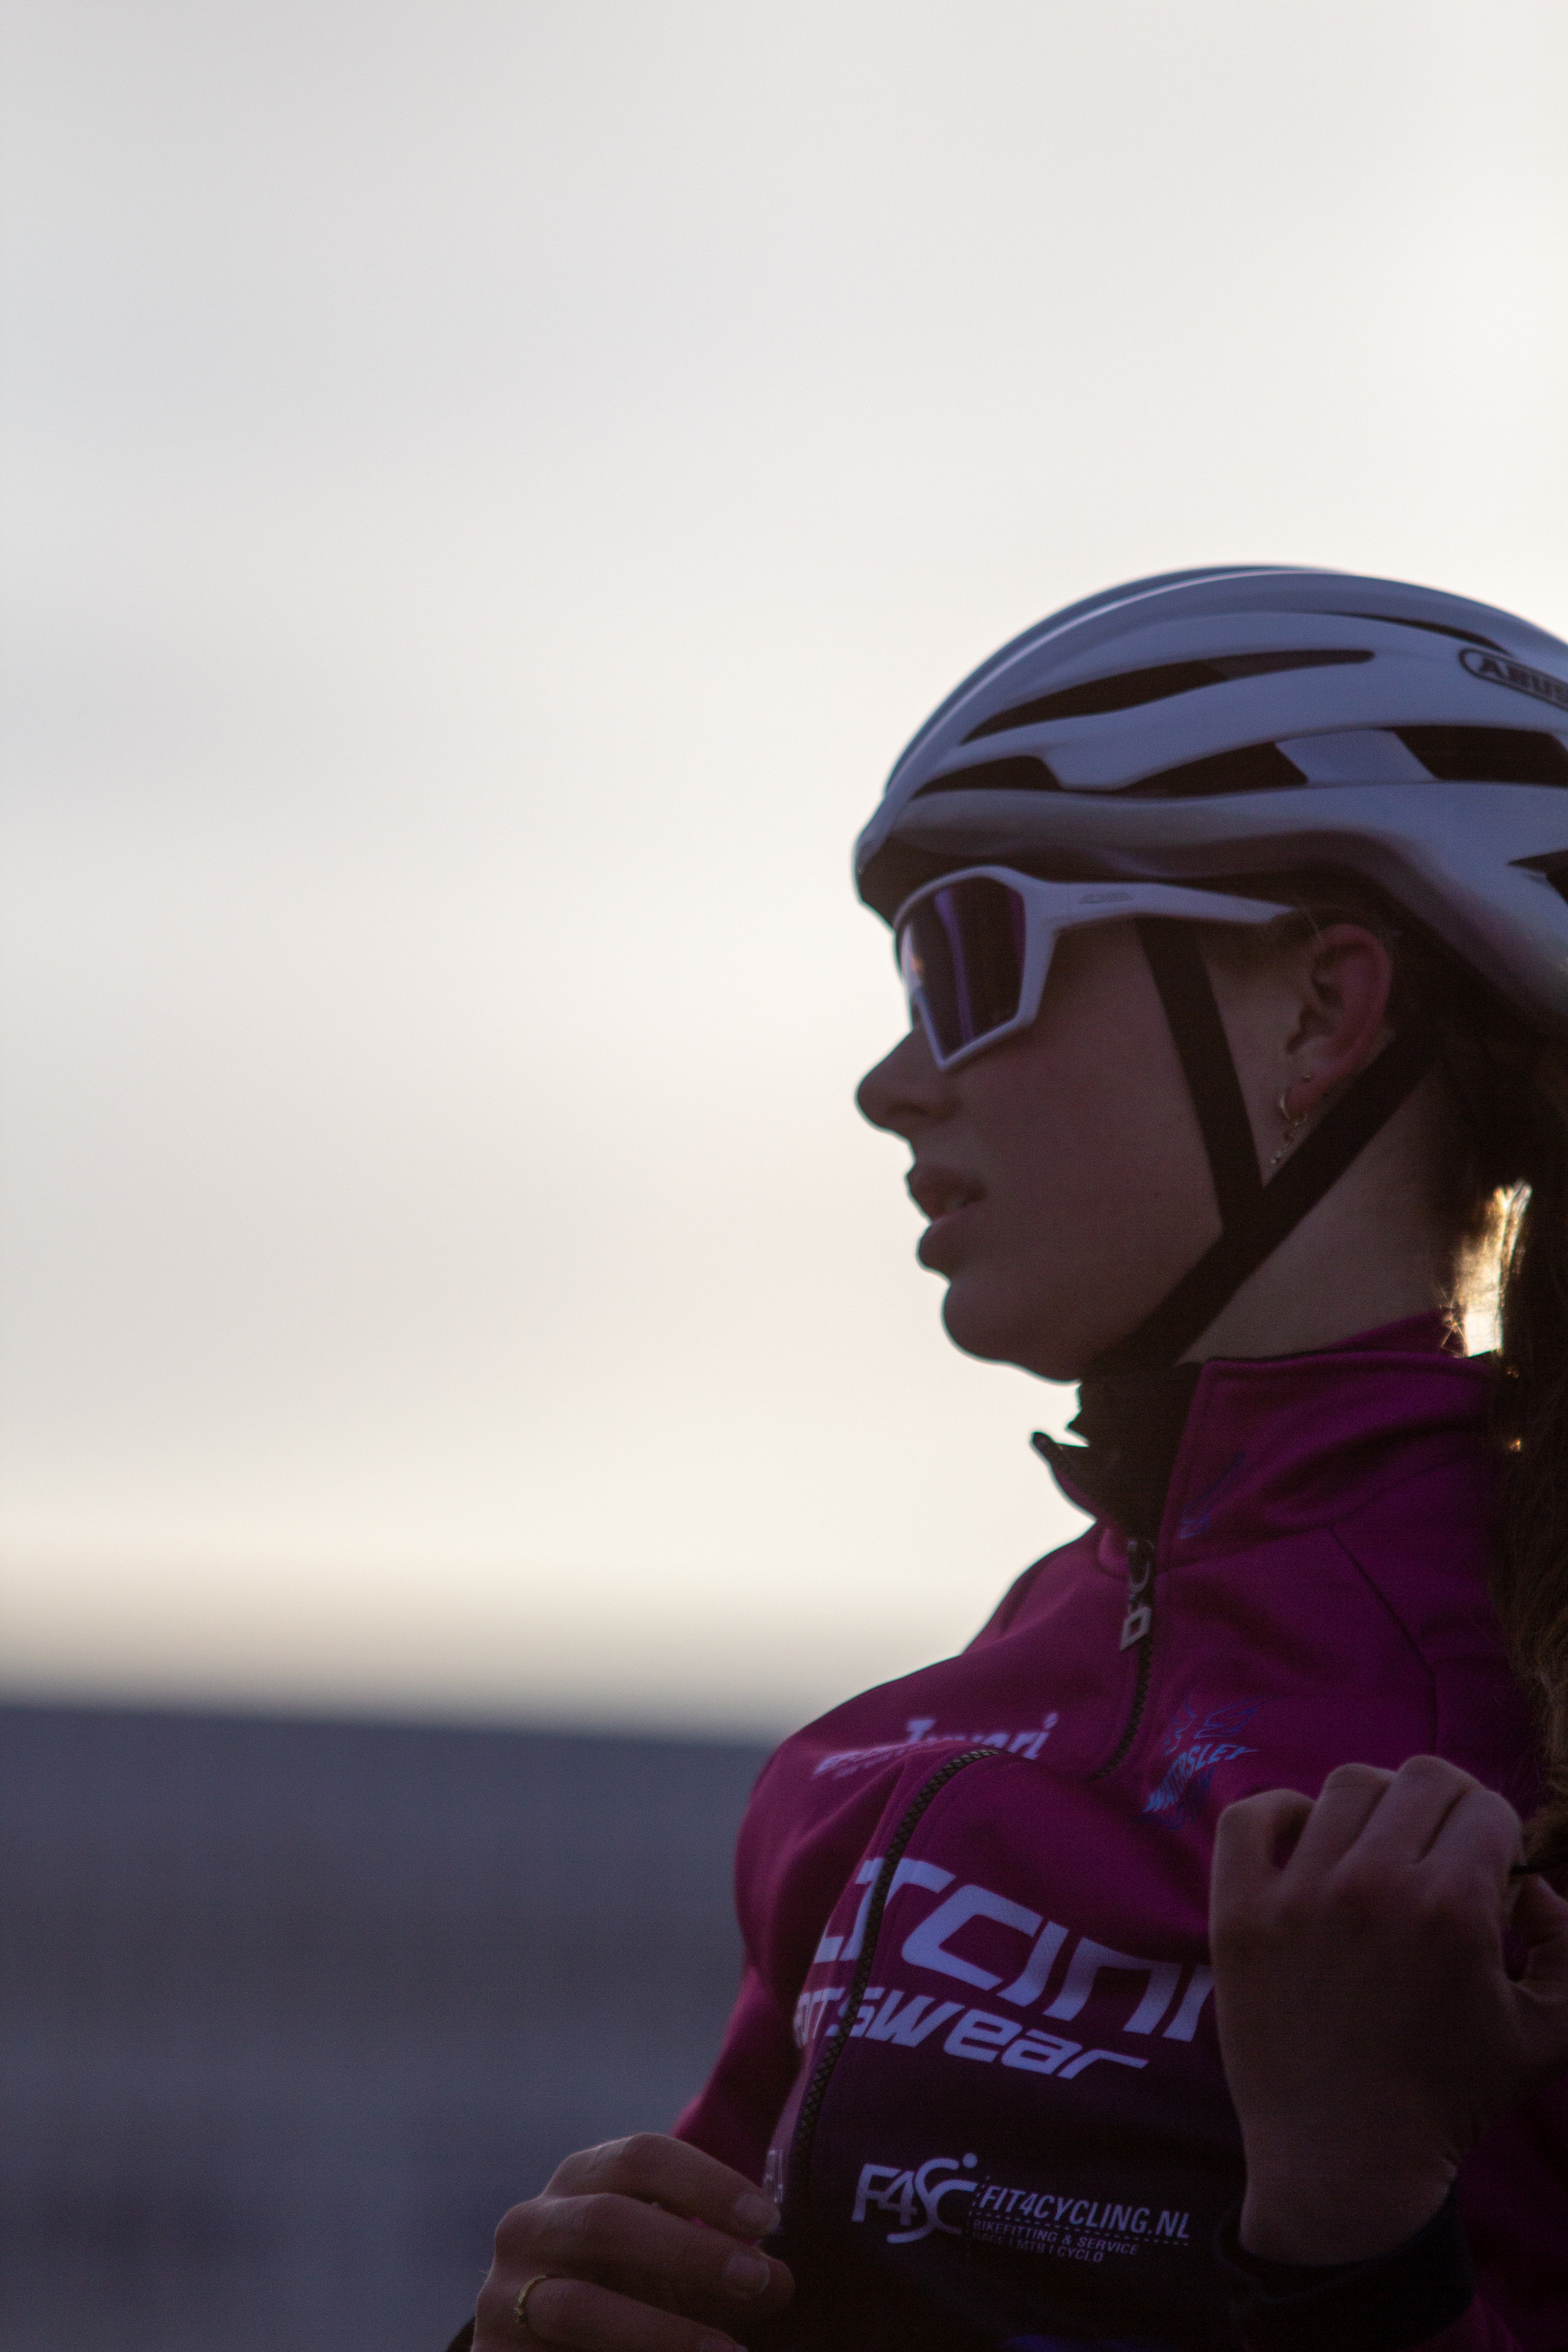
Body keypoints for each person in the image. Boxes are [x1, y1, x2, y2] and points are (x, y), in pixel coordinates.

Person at [453, 567, 1568, 2351]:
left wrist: (1356, 2226)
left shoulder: (1524, 1719)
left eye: (966, 961)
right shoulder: (893, 1750)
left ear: (1319, 1012)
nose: (893, 1082)